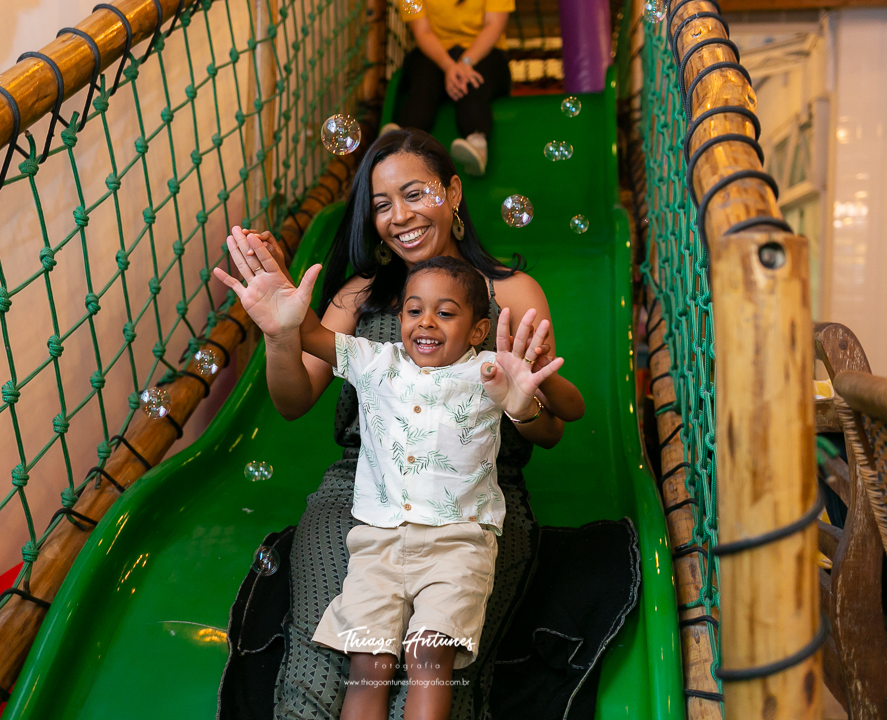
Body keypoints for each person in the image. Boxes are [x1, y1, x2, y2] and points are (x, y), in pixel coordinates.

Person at [216, 127, 584, 720]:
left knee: (434, 675)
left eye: (415, 194)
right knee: (331, 661)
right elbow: (291, 400)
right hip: (364, 499)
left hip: (473, 509)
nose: (400, 217)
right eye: (382, 205)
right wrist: (281, 331)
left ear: (454, 192)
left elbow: (549, 428)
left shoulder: (510, 293)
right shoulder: (359, 298)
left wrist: (526, 404)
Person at [387, 0, 514, 176]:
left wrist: (465, 62)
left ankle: (477, 144)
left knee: (473, 84)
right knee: (424, 84)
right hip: (434, 52)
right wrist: (449, 66)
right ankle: (400, 143)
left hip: (483, 51)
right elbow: (421, 31)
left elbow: (494, 24)